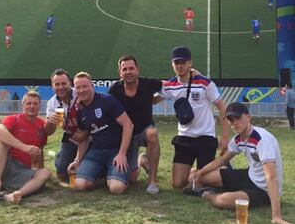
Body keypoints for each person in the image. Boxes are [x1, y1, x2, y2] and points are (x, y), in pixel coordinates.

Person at [185, 102, 293, 224]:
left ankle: (207, 194)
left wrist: (276, 216)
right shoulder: (238, 139)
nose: (234, 123)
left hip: (263, 190)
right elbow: (222, 160)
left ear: (248, 117)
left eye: (238, 118)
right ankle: (213, 185)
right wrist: (200, 173)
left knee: (222, 201)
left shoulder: (261, 139)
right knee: (199, 177)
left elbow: (271, 178)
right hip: (249, 176)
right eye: (231, 119)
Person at [160, 46, 230, 189]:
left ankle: (221, 168)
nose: (180, 65)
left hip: (205, 137)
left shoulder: (205, 83)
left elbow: (222, 107)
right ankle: (194, 172)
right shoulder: (170, 85)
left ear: (190, 63)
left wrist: (225, 136)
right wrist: (152, 86)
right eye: (176, 62)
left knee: (203, 183)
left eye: (183, 62)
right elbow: (153, 99)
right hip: (184, 138)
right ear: (172, 64)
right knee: (178, 184)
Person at [67, 71, 133, 194]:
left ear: (92, 86)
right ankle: (104, 177)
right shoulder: (80, 110)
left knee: (116, 188)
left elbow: (128, 125)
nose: (81, 90)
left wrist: (122, 153)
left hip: (116, 150)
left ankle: (132, 168)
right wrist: (77, 160)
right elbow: (84, 137)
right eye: (78, 87)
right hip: (96, 151)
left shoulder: (107, 100)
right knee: (78, 185)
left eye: (85, 86)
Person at [0, 91, 57, 203]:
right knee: (2, 140)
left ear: (39, 106)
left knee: (46, 172)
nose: (32, 106)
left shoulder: (41, 125)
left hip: (22, 171)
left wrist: (40, 172)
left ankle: (15, 194)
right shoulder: (14, 119)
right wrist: (24, 147)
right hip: (5, 165)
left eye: (35, 104)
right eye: (28, 103)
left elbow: (40, 151)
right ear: (23, 105)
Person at [108, 55, 162, 195]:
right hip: (126, 136)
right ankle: (142, 161)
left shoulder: (148, 84)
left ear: (137, 70)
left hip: (144, 131)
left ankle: (153, 181)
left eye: (131, 68)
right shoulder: (115, 89)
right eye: (124, 69)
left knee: (152, 134)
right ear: (120, 72)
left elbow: (170, 85)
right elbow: (107, 107)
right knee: (132, 180)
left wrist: (192, 75)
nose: (128, 71)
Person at [46, 68, 83, 181]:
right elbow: (49, 132)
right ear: (52, 86)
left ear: (70, 83)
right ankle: (61, 157)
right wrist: (50, 122)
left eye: (63, 83)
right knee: (62, 173)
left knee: (83, 172)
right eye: (57, 84)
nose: (61, 87)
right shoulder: (52, 103)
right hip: (71, 138)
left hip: (89, 138)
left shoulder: (79, 93)